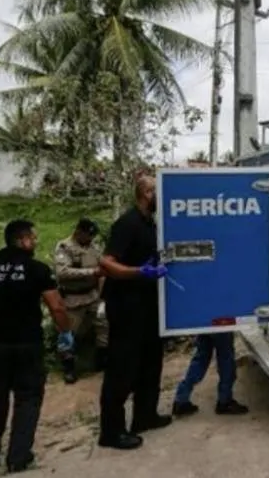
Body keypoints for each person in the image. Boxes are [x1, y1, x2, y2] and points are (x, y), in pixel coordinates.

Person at [0, 219, 73, 474]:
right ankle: (18, 457)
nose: (35, 241)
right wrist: (66, 333)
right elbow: (56, 306)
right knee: (28, 399)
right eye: (33, 238)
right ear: (22, 240)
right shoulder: (37, 270)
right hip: (27, 345)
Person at [97, 174, 171, 451]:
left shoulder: (150, 223)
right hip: (126, 308)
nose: (160, 197)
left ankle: (145, 416)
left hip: (147, 308)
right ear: (146, 194)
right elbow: (107, 263)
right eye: (157, 191)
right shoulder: (127, 223)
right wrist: (140, 272)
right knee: (122, 370)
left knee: (150, 364)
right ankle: (111, 432)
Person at [53, 218, 108, 383]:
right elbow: (62, 272)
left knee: (104, 326)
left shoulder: (94, 247)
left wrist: (102, 292)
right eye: (87, 235)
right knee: (68, 333)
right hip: (72, 297)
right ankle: (69, 368)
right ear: (78, 232)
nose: (89, 239)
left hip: (93, 296)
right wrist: (91, 272)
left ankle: (102, 362)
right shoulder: (64, 247)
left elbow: (103, 268)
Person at [172, 333, 249, 417]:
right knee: (226, 358)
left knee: (201, 358)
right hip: (220, 325)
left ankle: (181, 400)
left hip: (204, 323)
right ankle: (225, 401)